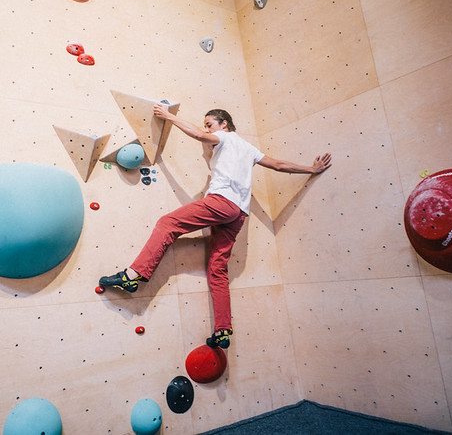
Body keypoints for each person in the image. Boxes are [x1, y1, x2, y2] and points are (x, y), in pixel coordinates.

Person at [99, 104, 332, 349]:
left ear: (224, 124)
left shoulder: (225, 138)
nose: (206, 129)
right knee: (217, 269)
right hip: (238, 214)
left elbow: (199, 135)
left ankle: (132, 276)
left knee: (168, 224)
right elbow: (278, 165)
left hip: (221, 203)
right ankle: (222, 330)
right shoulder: (248, 148)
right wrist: (311, 169)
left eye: (209, 124)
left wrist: (168, 116)